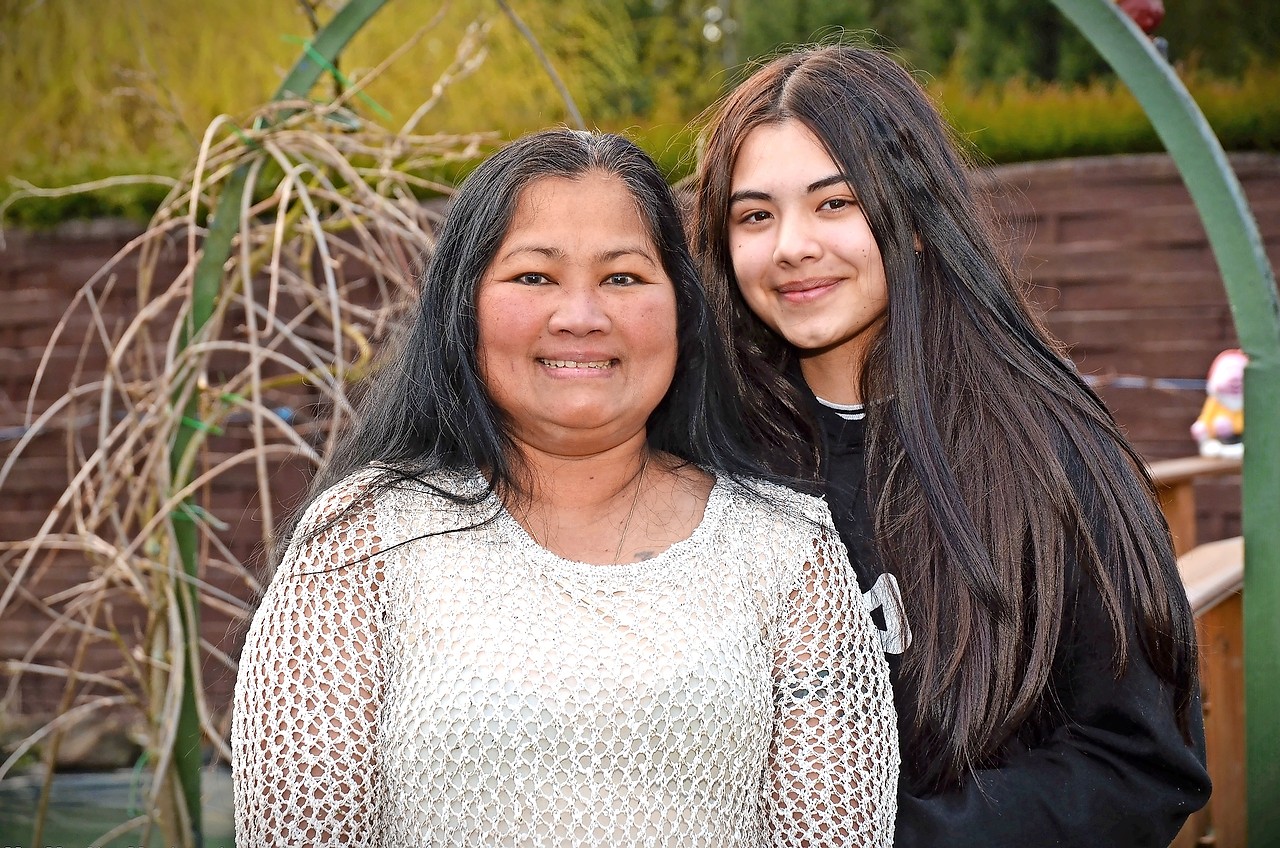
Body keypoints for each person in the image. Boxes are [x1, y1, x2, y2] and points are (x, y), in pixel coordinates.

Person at [231, 128, 898, 846]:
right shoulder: (362, 544)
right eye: (534, 277)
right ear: (463, 307)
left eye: (622, 278)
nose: (581, 316)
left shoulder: (788, 555)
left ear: (681, 308)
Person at [691, 45, 1211, 847]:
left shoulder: (1047, 450)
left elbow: (1139, 760)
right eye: (755, 215)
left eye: (837, 203)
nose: (791, 245)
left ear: (918, 216)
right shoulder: (711, 452)